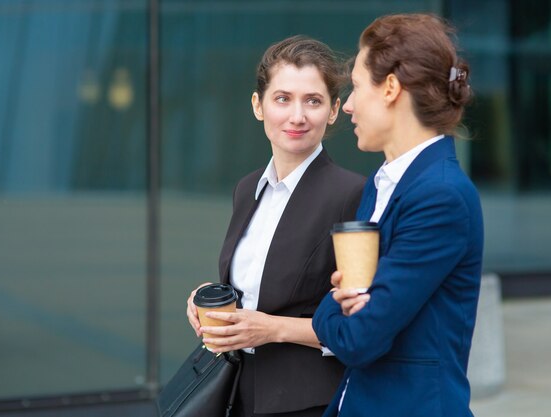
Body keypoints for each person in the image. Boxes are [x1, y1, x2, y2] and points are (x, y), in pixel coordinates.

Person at [312, 13, 483, 417]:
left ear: (390, 87)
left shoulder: (442, 197)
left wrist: (328, 305)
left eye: (355, 86)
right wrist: (347, 302)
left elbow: (359, 338)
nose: (349, 105)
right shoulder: (382, 183)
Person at [186, 35, 365, 417]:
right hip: (235, 391)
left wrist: (271, 329)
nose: (297, 116)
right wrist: (210, 296)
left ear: (333, 111)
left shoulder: (352, 194)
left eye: (312, 101)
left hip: (307, 401)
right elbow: (257, 288)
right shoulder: (247, 188)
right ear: (258, 105)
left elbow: (363, 324)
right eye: (282, 98)